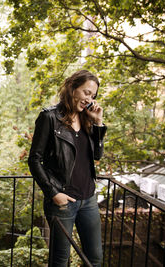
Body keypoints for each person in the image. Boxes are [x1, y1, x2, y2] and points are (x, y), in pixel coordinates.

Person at [28, 70, 107, 267]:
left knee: (95, 259)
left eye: (93, 96)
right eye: (86, 92)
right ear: (72, 88)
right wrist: (53, 193)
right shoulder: (49, 118)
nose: (89, 99)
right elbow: (34, 160)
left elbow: (97, 156)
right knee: (60, 261)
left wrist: (98, 123)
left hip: (88, 199)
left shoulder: (88, 119)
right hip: (63, 201)